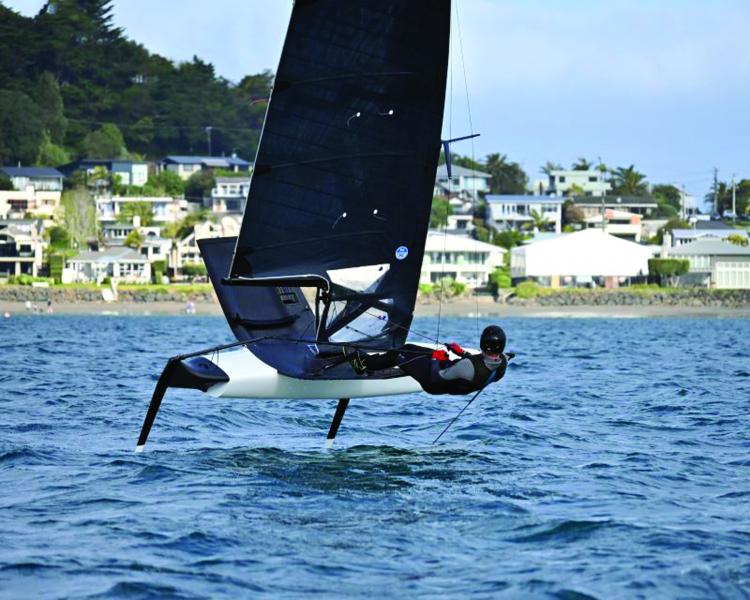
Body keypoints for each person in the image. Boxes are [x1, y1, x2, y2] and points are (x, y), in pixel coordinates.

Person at [349, 325, 511, 395]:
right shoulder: (502, 364)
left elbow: (441, 374)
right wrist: (460, 352)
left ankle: (362, 364)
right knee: (411, 347)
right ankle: (405, 362)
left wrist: (436, 358)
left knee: (398, 355)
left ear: (483, 342)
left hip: (434, 380)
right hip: (451, 375)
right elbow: (503, 357)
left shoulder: (467, 367)